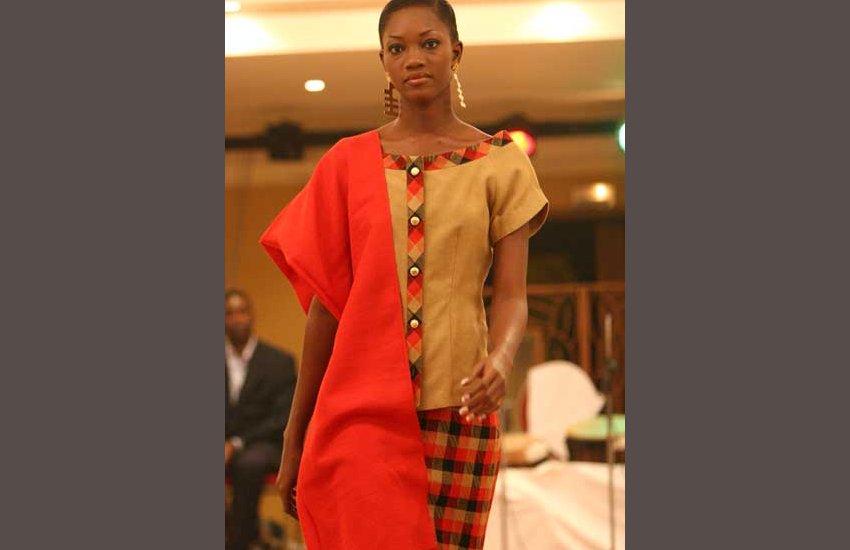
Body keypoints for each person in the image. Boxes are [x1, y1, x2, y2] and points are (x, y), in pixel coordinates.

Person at [259, 1, 549, 548]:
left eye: (429, 43)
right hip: (360, 412)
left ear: (456, 52)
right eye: (398, 48)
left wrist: (501, 358)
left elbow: (511, 295)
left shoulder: (500, 161)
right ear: (383, 61)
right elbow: (326, 311)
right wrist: (295, 435)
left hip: (460, 410)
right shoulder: (346, 164)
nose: (414, 58)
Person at [224, 289, 297, 550]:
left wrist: (236, 443)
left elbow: (281, 418)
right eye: (229, 313)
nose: (236, 319)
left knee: (249, 463)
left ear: (251, 315)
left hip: (263, 444)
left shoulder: (279, 362)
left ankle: (239, 542)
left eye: (241, 312)